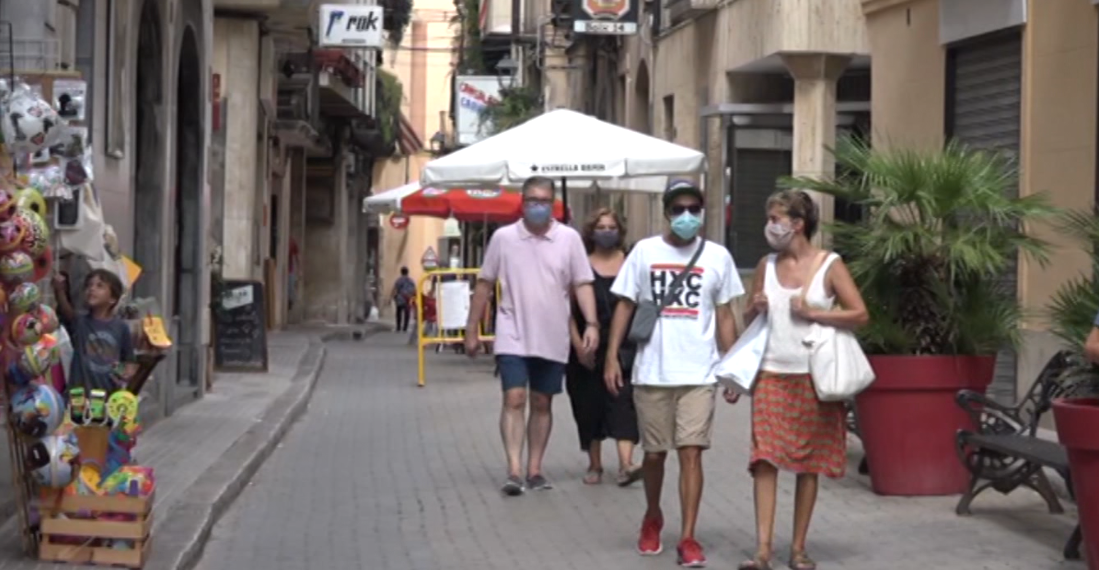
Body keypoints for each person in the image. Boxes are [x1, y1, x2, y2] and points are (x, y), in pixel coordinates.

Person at [605, 179, 743, 567]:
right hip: (652, 371)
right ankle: (652, 515)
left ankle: (688, 536)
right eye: (678, 209)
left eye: (693, 209)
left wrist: (730, 368)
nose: (686, 216)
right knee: (653, 455)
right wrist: (612, 356)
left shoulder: (717, 257)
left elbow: (724, 315)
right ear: (667, 211)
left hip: (699, 372)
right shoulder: (645, 252)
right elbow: (625, 306)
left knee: (691, 453)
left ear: (702, 212)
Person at [737, 190, 869, 570]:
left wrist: (814, 312)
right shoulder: (766, 264)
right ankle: (762, 550)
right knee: (764, 459)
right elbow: (751, 321)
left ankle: (798, 548)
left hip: (814, 377)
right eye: (770, 218)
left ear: (797, 223)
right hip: (770, 374)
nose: (770, 226)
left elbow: (860, 314)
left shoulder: (829, 264)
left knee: (808, 463)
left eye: (776, 218)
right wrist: (754, 307)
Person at [465, 176, 599, 496]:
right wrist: (472, 329)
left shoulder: (569, 239)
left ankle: (535, 468)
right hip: (512, 330)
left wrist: (591, 323)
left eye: (543, 201)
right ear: (522, 203)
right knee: (515, 397)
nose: (537, 207)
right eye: (531, 201)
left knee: (542, 401)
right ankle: (513, 469)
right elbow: (484, 283)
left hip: (552, 334)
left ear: (552, 204)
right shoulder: (504, 238)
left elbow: (582, 283)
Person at [566, 208, 642, 487]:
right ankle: (595, 464)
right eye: (601, 227)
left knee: (625, 402)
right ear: (591, 231)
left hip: (625, 347)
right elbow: (567, 308)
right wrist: (576, 344)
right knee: (589, 405)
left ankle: (626, 464)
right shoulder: (580, 265)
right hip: (587, 348)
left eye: (612, 227)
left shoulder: (631, 263)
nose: (607, 232)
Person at [52, 268, 137, 393]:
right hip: (79, 398)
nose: (92, 289)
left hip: (108, 397)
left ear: (113, 298)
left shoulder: (121, 327)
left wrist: (124, 373)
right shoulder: (81, 323)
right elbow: (66, 311)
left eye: (100, 286)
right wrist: (59, 290)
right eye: (89, 285)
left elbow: (129, 362)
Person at [390, 266, 416, 332]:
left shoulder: (399, 280)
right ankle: (405, 327)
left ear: (401, 272)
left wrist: (391, 296)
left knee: (399, 312)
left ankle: (398, 327)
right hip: (408, 298)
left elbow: (395, 289)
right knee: (407, 313)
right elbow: (414, 290)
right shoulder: (411, 281)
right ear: (408, 272)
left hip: (400, 298)